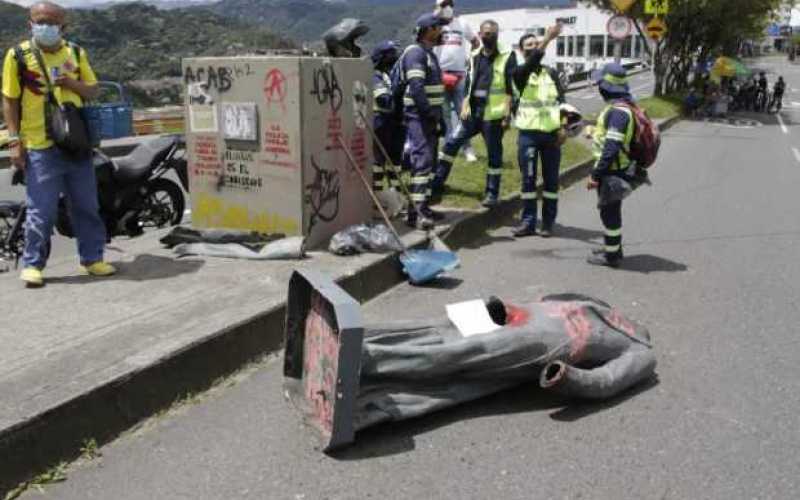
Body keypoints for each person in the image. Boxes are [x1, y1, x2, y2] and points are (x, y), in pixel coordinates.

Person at [2, 1, 115, 288]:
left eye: (52, 22)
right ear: (30, 24)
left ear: (63, 26)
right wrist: (15, 142)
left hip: (77, 144)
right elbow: (10, 101)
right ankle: (33, 264)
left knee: (87, 206)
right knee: (42, 210)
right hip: (40, 145)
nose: (46, 27)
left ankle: (92, 258)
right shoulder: (17, 56)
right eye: (40, 21)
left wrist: (69, 83)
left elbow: (92, 90)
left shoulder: (75, 52)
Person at [430, 19, 517, 208]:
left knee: (494, 154)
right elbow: (470, 83)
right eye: (485, 34)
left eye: (492, 34)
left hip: (493, 115)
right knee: (451, 143)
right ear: (480, 34)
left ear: (497, 34)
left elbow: (511, 88)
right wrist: (464, 104)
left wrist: (507, 114)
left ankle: (492, 194)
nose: (488, 37)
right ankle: (436, 184)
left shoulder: (507, 55)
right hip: (472, 112)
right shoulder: (475, 54)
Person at [511, 24, 566, 238]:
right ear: (521, 50)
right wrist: (547, 39)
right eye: (529, 45)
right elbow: (533, 60)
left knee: (551, 182)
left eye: (535, 44)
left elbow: (562, 102)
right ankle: (528, 222)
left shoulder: (551, 73)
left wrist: (563, 127)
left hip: (552, 136)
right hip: (528, 135)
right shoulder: (519, 74)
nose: (533, 48)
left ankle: (548, 223)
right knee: (528, 181)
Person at [586, 63, 639, 268]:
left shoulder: (618, 112)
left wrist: (595, 175)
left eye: (600, 83)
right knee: (610, 210)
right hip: (615, 168)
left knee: (609, 213)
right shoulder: (619, 107)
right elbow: (609, 139)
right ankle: (613, 247)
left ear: (606, 87)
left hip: (612, 171)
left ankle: (612, 257)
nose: (598, 86)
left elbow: (611, 147)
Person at [402, 13, 448, 230]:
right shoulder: (415, 53)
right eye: (438, 27)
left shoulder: (430, 54)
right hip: (419, 116)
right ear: (428, 30)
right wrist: (430, 114)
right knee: (422, 161)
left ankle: (424, 208)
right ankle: (416, 214)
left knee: (430, 164)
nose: (442, 31)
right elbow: (417, 87)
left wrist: (440, 119)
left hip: (430, 116)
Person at [433, 0, 480, 163]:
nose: (445, 8)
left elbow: (475, 41)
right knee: (445, 115)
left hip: (460, 74)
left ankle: (467, 148)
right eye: (442, 5)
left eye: (448, 4)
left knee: (463, 113)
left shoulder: (462, 23)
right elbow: (421, 35)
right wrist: (437, 12)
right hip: (440, 74)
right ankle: (448, 147)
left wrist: (470, 58)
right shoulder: (434, 24)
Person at [370, 40, 402, 192]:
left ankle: (395, 193)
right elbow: (384, 99)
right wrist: (399, 93)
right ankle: (376, 194)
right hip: (380, 121)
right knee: (378, 160)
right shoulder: (374, 76)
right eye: (391, 54)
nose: (395, 56)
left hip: (393, 122)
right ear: (382, 57)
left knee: (394, 160)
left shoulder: (389, 74)